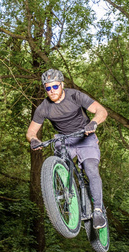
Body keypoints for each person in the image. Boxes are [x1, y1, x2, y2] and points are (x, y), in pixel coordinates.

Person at [26, 69, 108, 229]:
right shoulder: (43, 107)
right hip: (64, 139)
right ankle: (67, 193)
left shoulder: (75, 96)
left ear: (62, 85)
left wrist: (94, 123)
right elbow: (31, 132)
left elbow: (101, 111)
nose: (52, 91)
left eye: (55, 87)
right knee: (60, 162)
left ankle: (98, 210)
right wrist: (34, 140)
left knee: (91, 169)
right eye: (48, 88)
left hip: (85, 137)